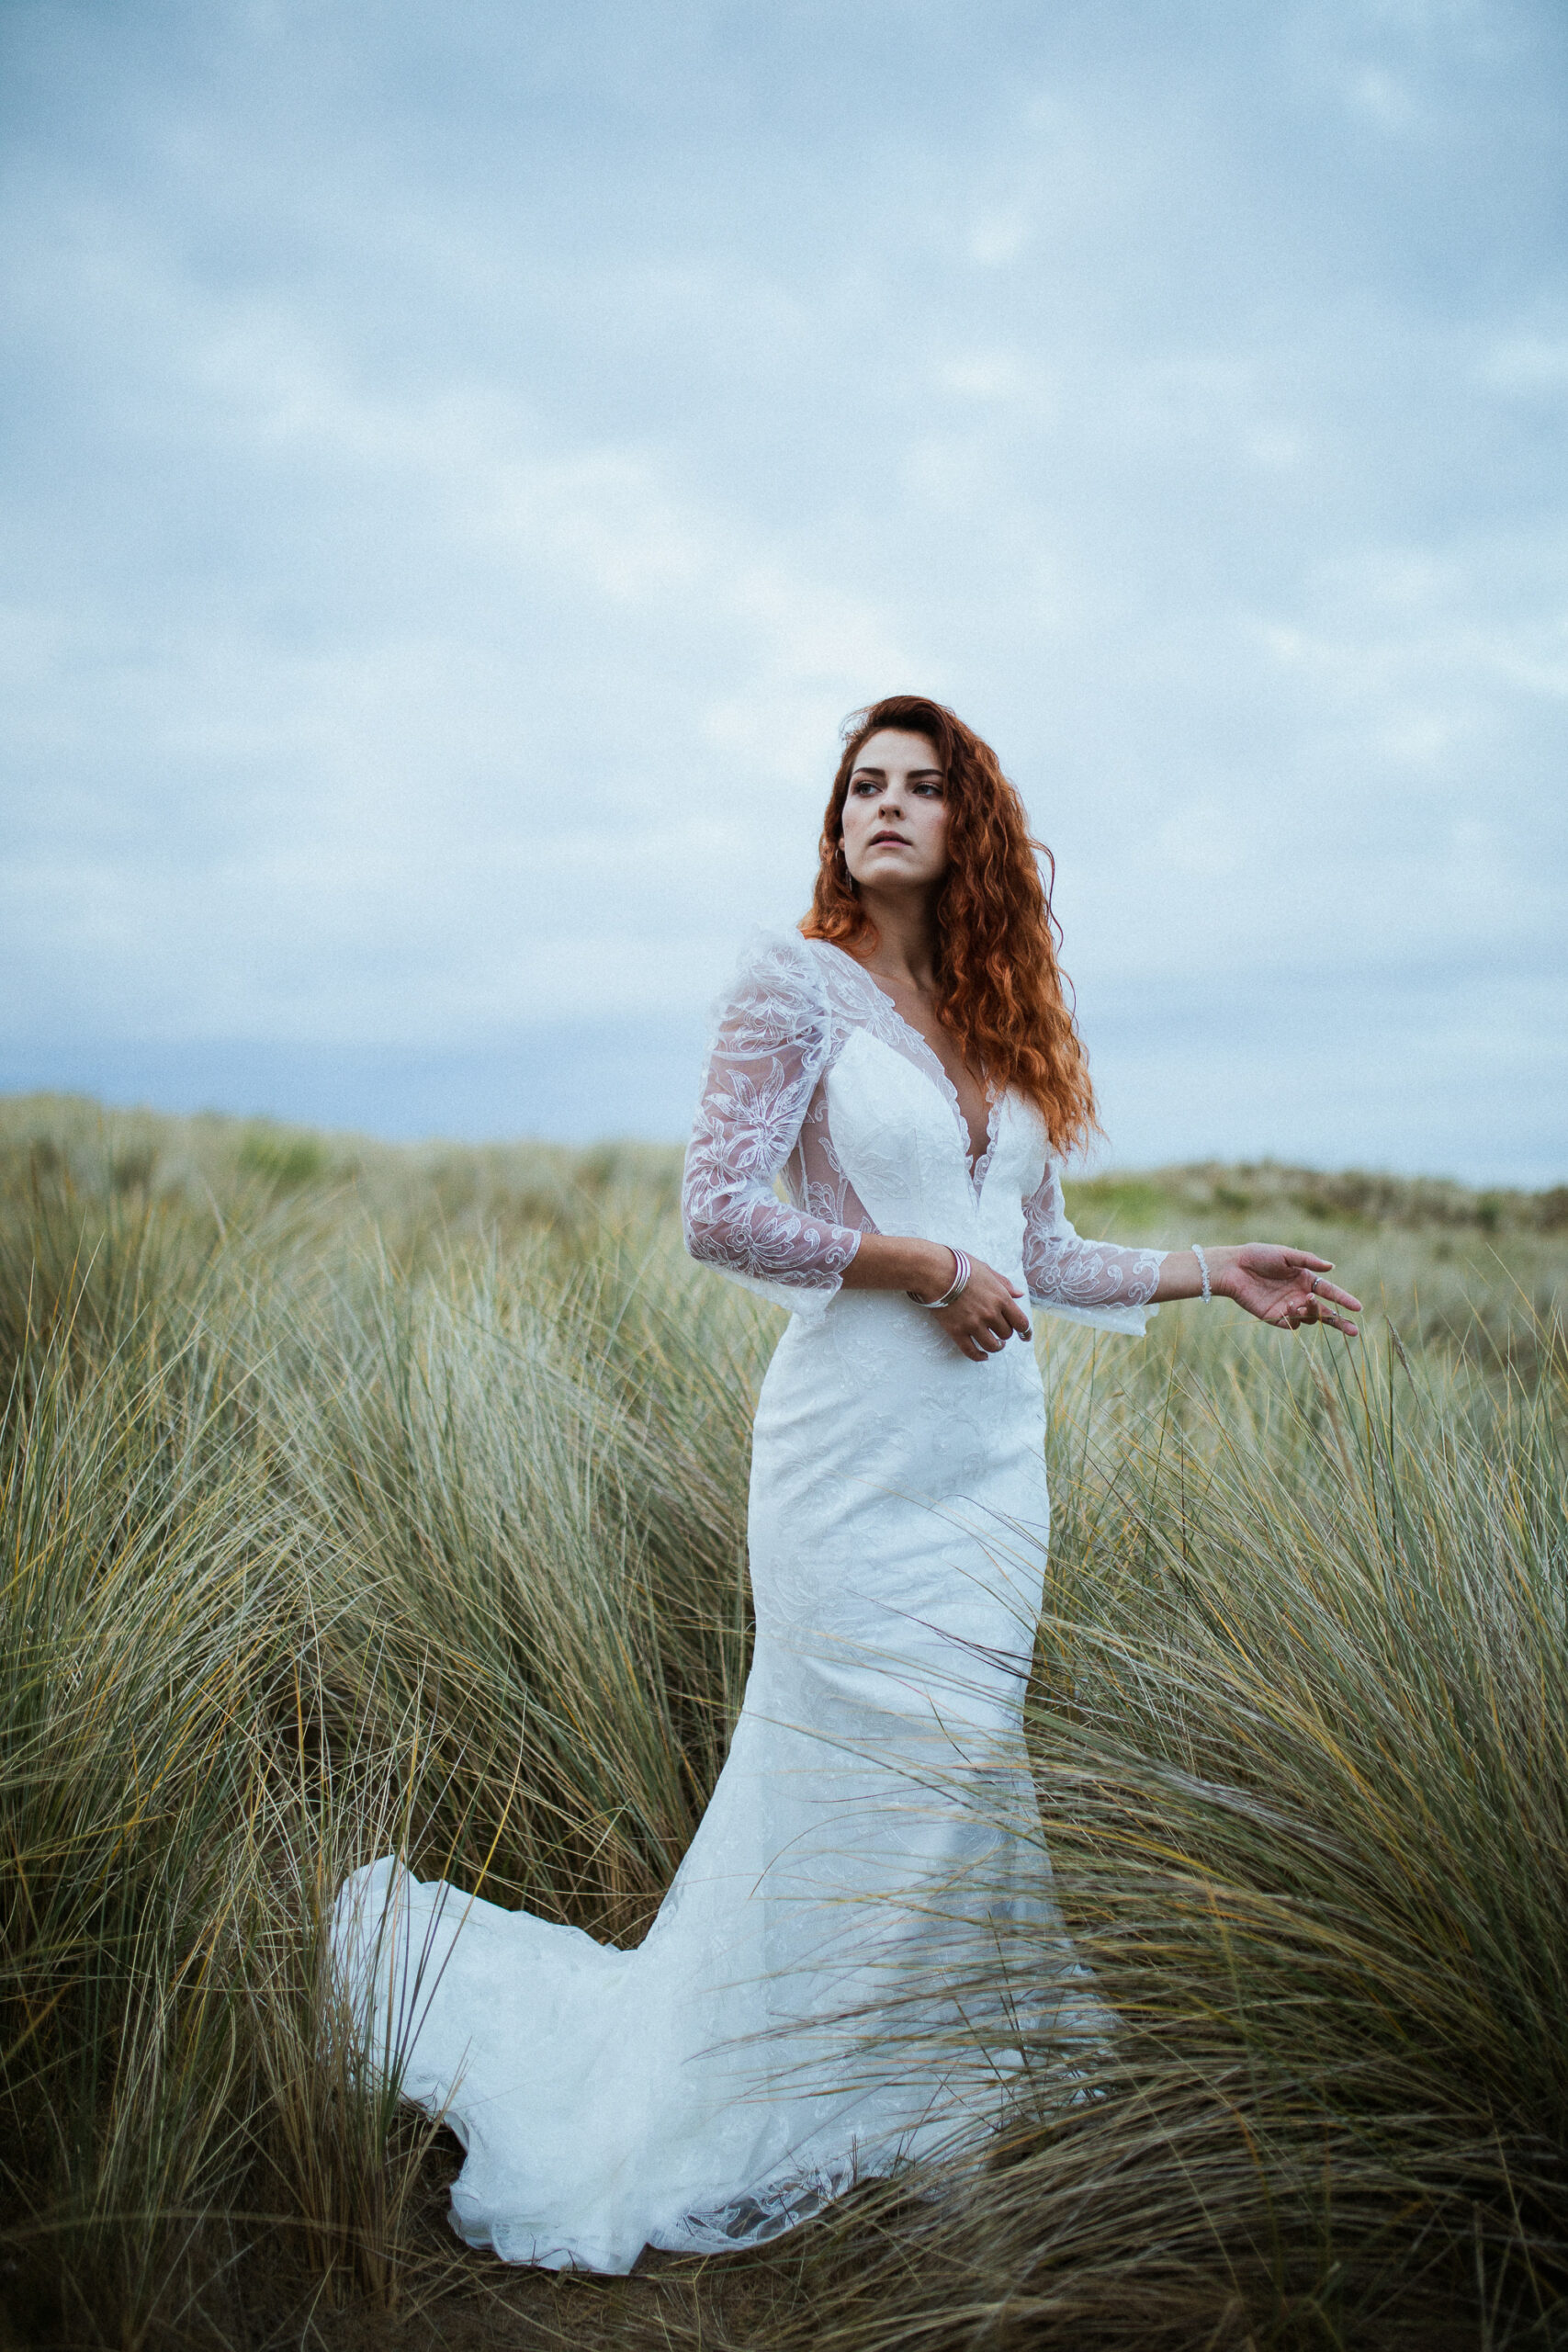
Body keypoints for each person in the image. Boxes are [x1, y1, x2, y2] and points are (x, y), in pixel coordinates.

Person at [332, 694, 1361, 2275]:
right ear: (837, 825)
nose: (883, 807)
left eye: (919, 787)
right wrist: (919, 1263)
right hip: (847, 1458)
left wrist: (1218, 1270)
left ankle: (915, 2080)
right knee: (850, 1765)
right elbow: (718, 1214)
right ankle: (770, 2082)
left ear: (971, 828)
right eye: (859, 787)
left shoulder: (997, 1022)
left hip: (990, 1472)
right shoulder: (791, 989)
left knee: (959, 1773)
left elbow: (1047, 1258)